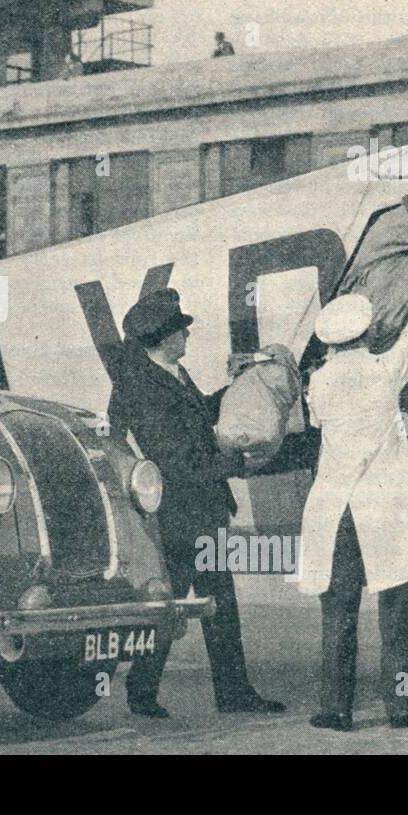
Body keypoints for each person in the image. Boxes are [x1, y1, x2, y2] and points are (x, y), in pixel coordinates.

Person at [108, 287, 285, 718]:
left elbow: (200, 415)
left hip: (201, 509)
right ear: (163, 337)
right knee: (182, 604)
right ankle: (156, 690)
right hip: (180, 513)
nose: (187, 336)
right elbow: (176, 459)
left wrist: (237, 385)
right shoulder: (142, 385)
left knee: (200, 603)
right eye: (181, 331)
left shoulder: (171, 371)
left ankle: (200, 690)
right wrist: (235, 461)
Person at [299, 287, 408, 732]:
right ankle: (400, 707)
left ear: (332, 342)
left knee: (338, 612)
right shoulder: (384, 369)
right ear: (368, 333)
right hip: (381, 508)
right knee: (394, 612)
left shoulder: (318, 382)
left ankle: (336, 709)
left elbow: (318, 424)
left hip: (336, 510)